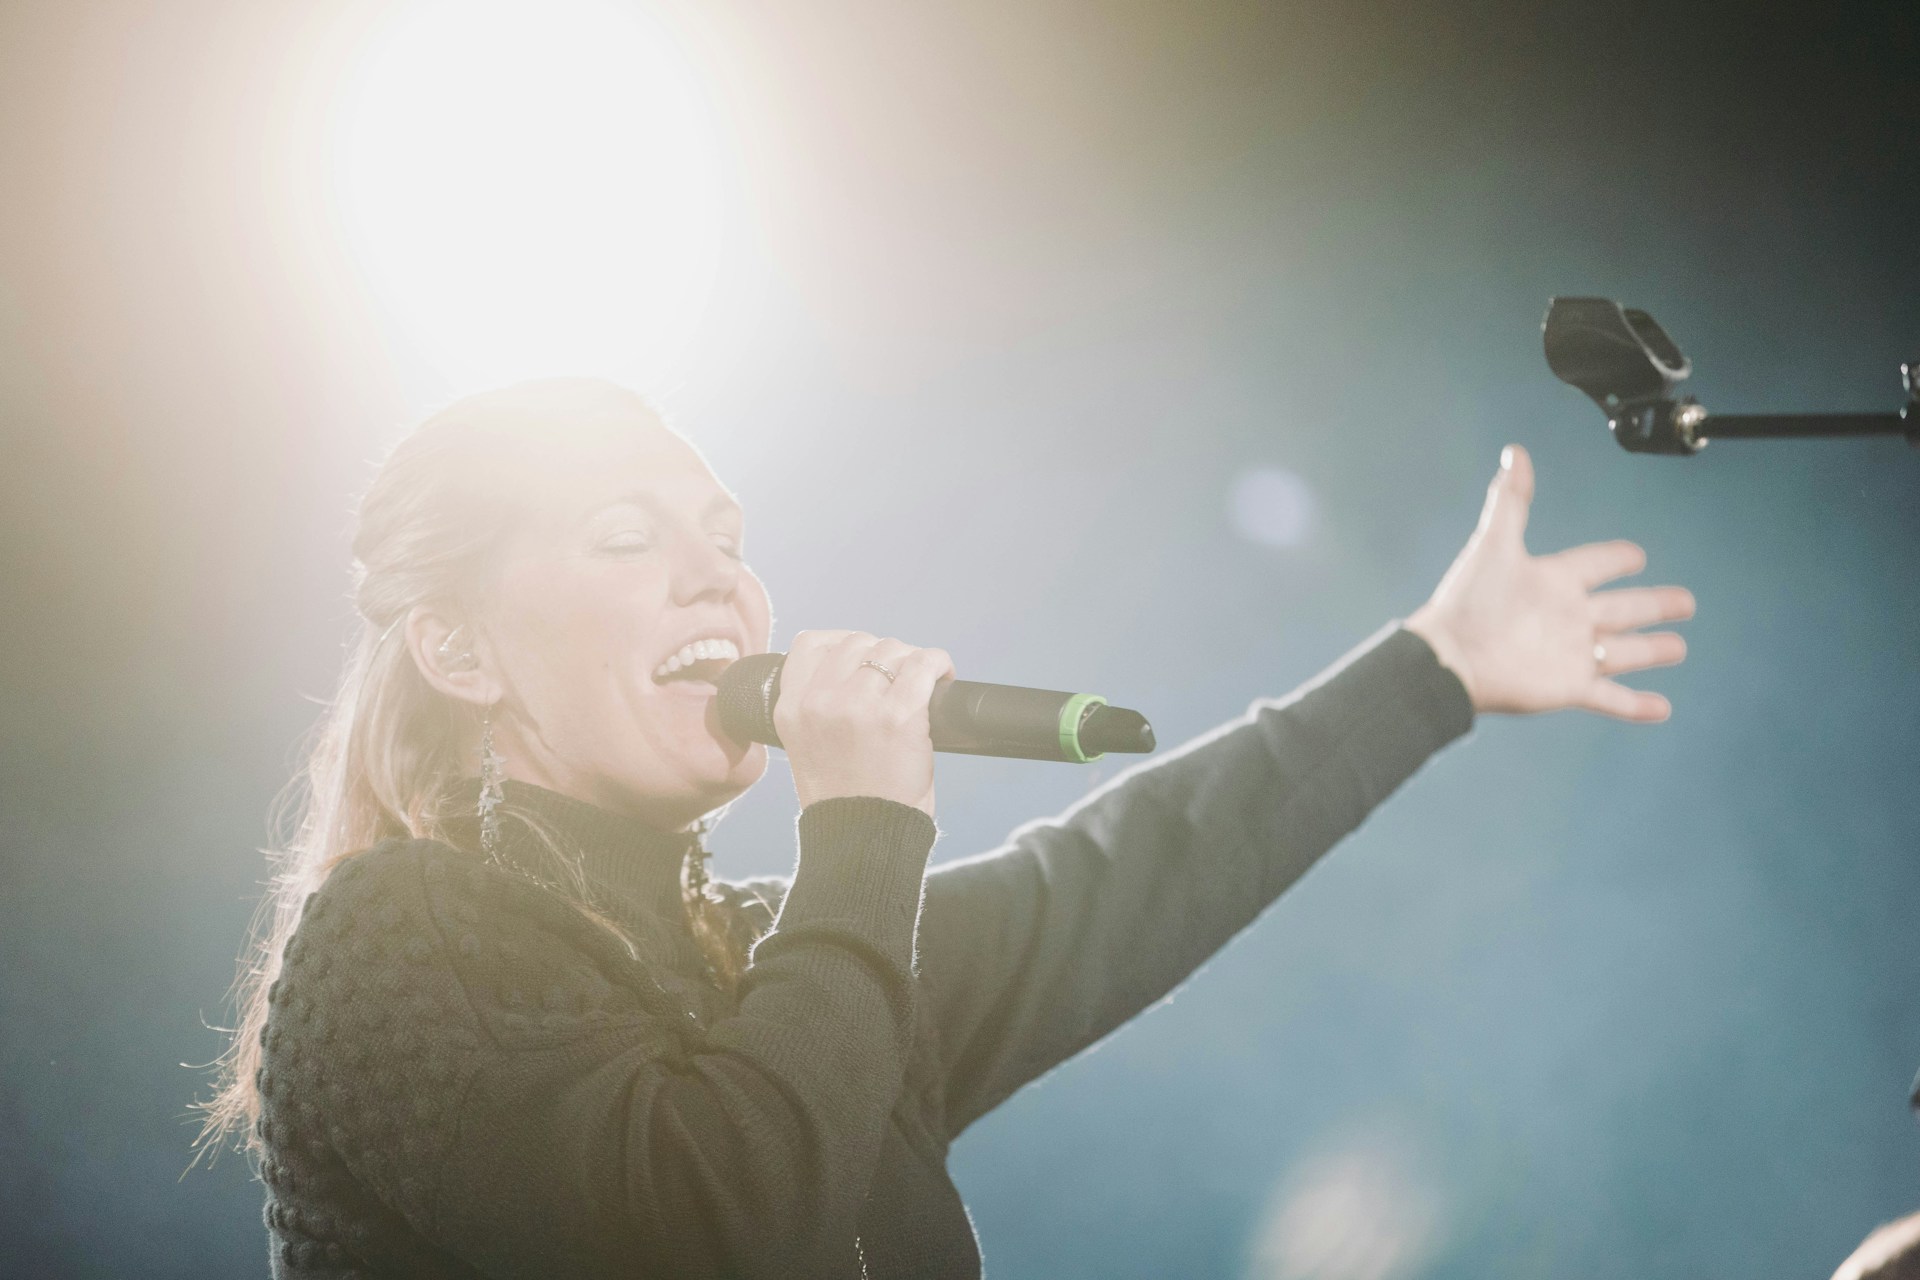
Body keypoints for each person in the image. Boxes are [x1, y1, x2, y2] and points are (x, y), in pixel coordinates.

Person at [200, 377, 1695, 1278]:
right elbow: (715, 1231)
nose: (718, 581)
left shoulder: (781, 963)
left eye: (726, 540)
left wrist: (1434, 667)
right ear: (460, 650)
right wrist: (861, 824)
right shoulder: (389, 938)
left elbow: (1121, 878)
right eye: (626, 538)